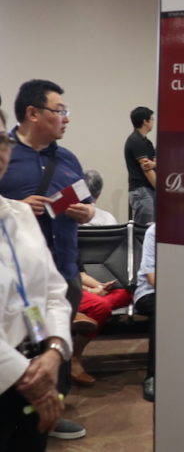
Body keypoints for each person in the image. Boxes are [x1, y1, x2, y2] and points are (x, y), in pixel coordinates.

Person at [0, 79, 94, 441]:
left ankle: (50, 408)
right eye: (60, 111)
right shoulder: (9, 154)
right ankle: (21, 400)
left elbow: (86, 200)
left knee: (52, 341)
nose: (66, 119)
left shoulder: (67, 158)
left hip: (59, 272)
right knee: (14, 339)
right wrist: (17, 209)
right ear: (32, 113)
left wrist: (85, 213)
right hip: (11, 280)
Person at [69, 268, 132, 386]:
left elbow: (79, 274)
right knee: (101, 306)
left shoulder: (70, 250)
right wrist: (89, 290)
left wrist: (100, 286)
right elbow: (62, 277)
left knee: (125, 294)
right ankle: (75, 358)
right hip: (60, 289)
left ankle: (81, 312)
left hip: (77, 287)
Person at [133, 224, 156, 401]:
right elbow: (152, 277)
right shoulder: (155, 231)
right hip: (151, 292)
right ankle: (154, 375)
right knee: (165, 310)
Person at [124, 106, 156, 226]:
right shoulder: (135, 141)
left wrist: (154, 163)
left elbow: (153, 163)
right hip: (142, 191)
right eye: (151, 119)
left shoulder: (146, 142)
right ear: (145, 121)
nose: (153, 121)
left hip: (147, 191)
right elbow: (147, 169)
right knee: (144, 231)